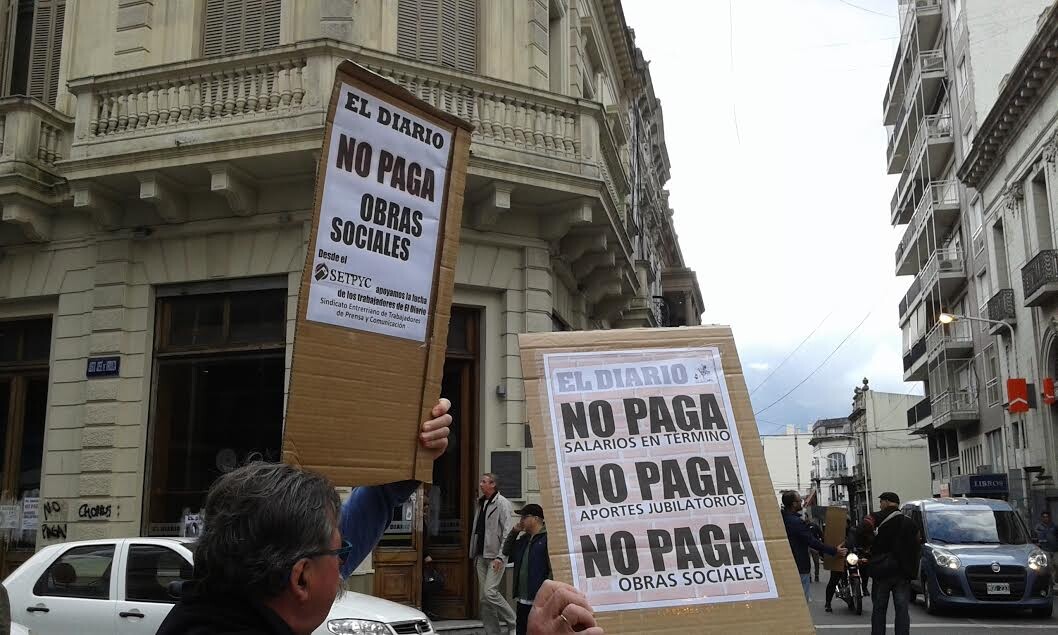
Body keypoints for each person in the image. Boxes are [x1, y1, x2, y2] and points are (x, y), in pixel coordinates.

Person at [866, 492, 919, 635]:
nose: (880, 504)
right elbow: (916, 549)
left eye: (881, 501)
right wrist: (911, 571)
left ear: (888, 502)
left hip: (882, 571)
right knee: (902, 609)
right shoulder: (910, 524)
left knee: (879, 608)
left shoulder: (878, 520)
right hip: (902, 573)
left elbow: (865, 537)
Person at [470, 473, 517, 635]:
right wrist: (474, 554)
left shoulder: (502, 503)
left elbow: (507, 532)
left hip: (495, 557)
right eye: (481, 481)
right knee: (485, 599)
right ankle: (493, 632)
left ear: (493, 485)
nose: (481, 484)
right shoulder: (481, 503)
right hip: (480, 556)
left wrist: (501, 556)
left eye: (484, 482)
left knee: (490, 592)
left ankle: (513, 621)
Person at [781, 491, 847, 600]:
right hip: (800, 566)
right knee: (802, 602)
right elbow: (812, 541)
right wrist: (834, 550)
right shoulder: (796, 522)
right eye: (799, 501)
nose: (802, 503)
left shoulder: (782, 520)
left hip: (787, 566)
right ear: (793, 504)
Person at [502, 503, 552, 635]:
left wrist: (546, 593)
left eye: (524, 517)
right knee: (521, 630)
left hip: (539, 600)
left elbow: (552, 570)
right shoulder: (523, 540)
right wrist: (514, 532)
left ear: (535, 518)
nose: (521, 520)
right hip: (522, 598)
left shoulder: (547, 539)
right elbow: (507, 551)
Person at [824, 515, 859, 612]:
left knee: (863, 569)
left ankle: (862, 589)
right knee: (833, 580)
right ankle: (828, 603)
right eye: (843, 522)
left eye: (846, 522)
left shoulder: (854, 532)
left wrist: (863, 551)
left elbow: (859, 542)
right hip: (839, 558)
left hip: (851, 557)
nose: (844, 524)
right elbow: (828, 544)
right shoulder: (835, 533)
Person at [1035, 510, 1058, 581]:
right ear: (1041, 518)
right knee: (1049, 566)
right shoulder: (1038, 527)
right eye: (1044, 517)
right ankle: (1052, 581)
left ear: (1049, 518)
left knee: (1056, 564)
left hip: (1055, 549)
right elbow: (1035, 537)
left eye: (1047, 517)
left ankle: (1054, 579)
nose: (1046, 518)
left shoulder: (1054, 526)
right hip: (1044, 549)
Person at [808, 518, 823, 582]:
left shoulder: (814, 526)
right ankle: (809, 576)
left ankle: (816, 575)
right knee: (807, 563)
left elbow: (821, 534)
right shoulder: (801, 526)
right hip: (806, 546)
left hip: (814, 546)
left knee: (816, 562)